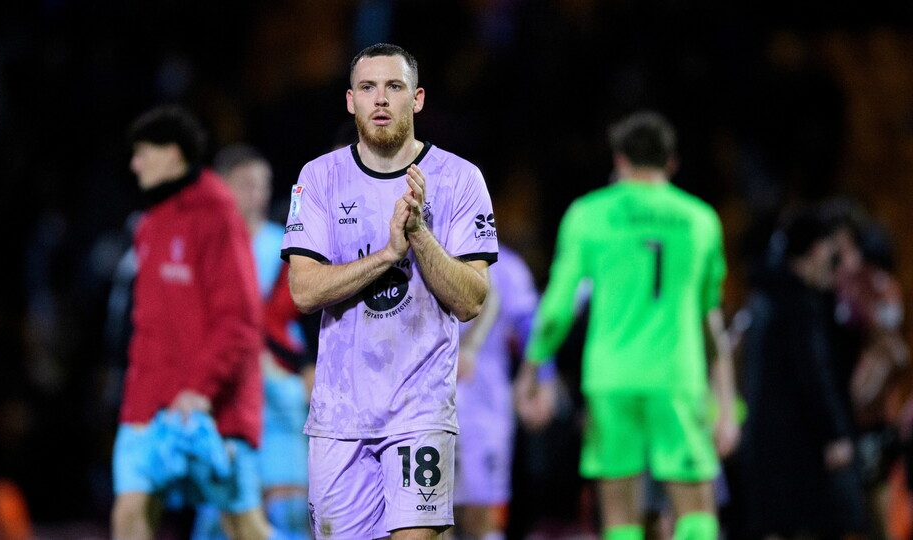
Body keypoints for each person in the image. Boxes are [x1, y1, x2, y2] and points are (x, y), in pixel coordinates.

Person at [281, 43, 498, 539]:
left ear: (416, 99)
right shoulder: (317, 179)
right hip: (340, 416)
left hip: (420, 409)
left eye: (394, 87)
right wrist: (385, 255)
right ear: (350, 101)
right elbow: (304, 291)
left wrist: (419, 233)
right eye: (368, 87)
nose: (381, 99)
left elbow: (471, 300)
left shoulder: (461, 180)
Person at [514, 111, 740, 540]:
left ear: (619, 161)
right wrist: (725, 401)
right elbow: (709, 318)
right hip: (678, 376)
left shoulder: (588, 214)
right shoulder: (701, 220)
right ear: (671, 163)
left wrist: (532, 370)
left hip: (611, 378)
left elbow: (558, 307)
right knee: (696, 511)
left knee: (620, 515)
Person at [110, 105, 269, 540]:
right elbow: (147, 326)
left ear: (173, 155)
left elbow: (239, 322)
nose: (134, 164)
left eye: (143, 153)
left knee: (242, 524)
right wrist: (136, 404)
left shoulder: (217, 214)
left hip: (212, 405)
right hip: (149, 405)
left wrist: (200, 390)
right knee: (130, 510)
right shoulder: (148, 224)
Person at [191, 143, 315, 540]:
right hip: (225, 394)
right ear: (222, 188)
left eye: (263, 186)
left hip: (279, 392)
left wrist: (308, 369)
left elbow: (314, 314)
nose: (257, 195)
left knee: (291, 515)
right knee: (221, 520)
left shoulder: (288, 244)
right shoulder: (204, 249)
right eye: (246, 185)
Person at [739, 207, 867, 538]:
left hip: (764, 444)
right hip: (798, 448)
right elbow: (813, 374)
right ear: (813, 250)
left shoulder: (764, 298)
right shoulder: (799, 303)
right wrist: (833, 433)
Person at [453, 243, 538, 540]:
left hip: (483, 403)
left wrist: (539, 380)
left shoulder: (508, 266)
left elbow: (530, 324)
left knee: (483, 510)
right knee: (430, 512)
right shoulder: (415, 248)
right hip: (426, 400)